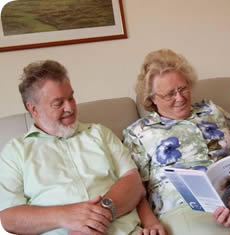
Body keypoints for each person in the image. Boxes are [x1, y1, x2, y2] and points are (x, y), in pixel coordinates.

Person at [123, 49, 230, 235]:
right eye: (169, 94)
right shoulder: (138, 133)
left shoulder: (212, 110)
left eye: (183, 88)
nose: (180, 98)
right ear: (151, 98)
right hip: (182, 208)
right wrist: (150, 223)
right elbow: (136, 191)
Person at [0, 60, 146, 235]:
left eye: (71, 98)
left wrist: (97, 216)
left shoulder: (99, 134)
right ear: (34, 109)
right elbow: (9, 217)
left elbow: (133, 182)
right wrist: (66, 216)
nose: (69, 107)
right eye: (58, 103)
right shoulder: (15, 152)